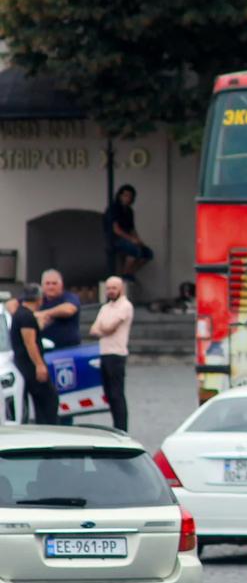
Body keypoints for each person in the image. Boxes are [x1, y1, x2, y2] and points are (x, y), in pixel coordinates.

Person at [8, 284, 58, 425]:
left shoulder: (20, 314)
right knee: (49, 400)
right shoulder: (26, 316)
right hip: (30, 366)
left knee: (41, 402)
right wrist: (39, 365)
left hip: (24, 364)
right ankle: (49, 430)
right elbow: (30, 343)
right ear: (39, 299)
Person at [90, 276, 134, 432]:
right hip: (105, 352)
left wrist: (102, 328)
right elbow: (93, 330)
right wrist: (103, 328)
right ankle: (116, 427)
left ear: (121, 289)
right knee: (109, 394)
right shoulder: (105, 307)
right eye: (108, 288)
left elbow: (109, 326)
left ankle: (122, 429)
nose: (110, 291)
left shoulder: (125, 306)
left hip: (117, 354)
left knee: (117, 394)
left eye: (113, 288)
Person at [104, 184, 155, 279]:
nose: (127, 198)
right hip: (115, 239)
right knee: (134, 250)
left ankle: (130, 272)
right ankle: (125, 274)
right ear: (120, 196)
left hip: (128, 239)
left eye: (130, 196)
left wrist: (139, 241)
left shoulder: (129, 211)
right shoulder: (113, 209)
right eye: (125, 195)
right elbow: (116, 229)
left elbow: (132, 229)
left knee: (147, 253)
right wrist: (131, 240)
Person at [38, 270, 82, 350]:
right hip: (43, 350)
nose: (51, 287)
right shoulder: (36, 299)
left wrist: (43, 314)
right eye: (47, 283)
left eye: (54, 283)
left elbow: (69, 309)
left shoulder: (69, 297)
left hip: (68, 350)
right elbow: (12, 304)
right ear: (42, 286)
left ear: (61, 285)